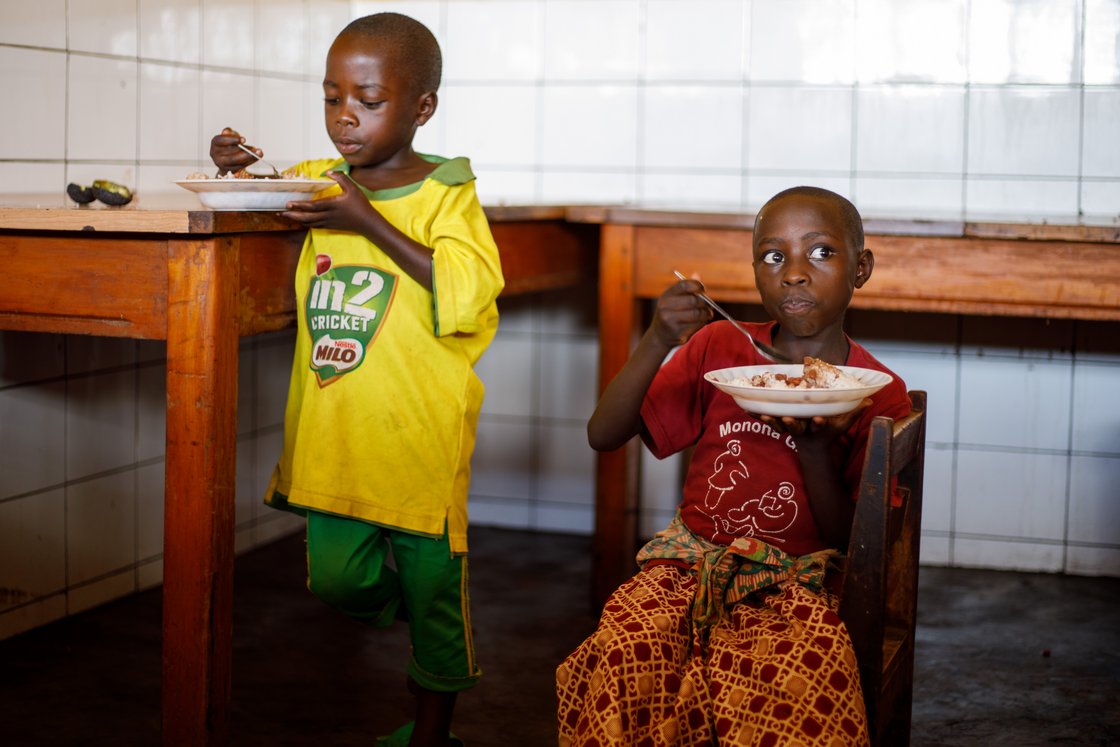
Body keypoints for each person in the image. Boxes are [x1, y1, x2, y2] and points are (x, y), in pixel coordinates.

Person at [210, 13, 503, 747]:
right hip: (337, 435)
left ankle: (431, 730)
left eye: (368, 101)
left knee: (435, 599)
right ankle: (425, 623)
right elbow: (264, 197)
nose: (345, 116)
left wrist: (366, 220)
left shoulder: (447, 189)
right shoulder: (323, 181)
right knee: (337, 581)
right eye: (332, 97)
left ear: (421, 108)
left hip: (419, 440)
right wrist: (234, 170)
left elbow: (469, 289)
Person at [556, 186, 910, 746]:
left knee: (800, 679)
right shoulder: (719, 348)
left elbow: (852, 542)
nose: (794, 273)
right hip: (686, 569)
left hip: (799, 586)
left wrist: (815, 450)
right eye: (773, 256)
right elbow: (603, 435)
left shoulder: (877, 392)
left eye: (820, 252)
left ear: (860, 268)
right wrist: (658, 339)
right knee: (625, 648)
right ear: (755, 272)